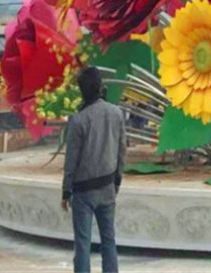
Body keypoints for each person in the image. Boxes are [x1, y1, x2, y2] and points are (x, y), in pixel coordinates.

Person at [62, 66, 126, 273]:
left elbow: (71, 161)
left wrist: (66, 191)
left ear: (82, 91)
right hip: (108, 187)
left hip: (83, 192)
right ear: (100, 87)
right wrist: (117, 180)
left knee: (82, 243)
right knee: (109, 241)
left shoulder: (78, 120)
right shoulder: (116, 114)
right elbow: (121, 150)